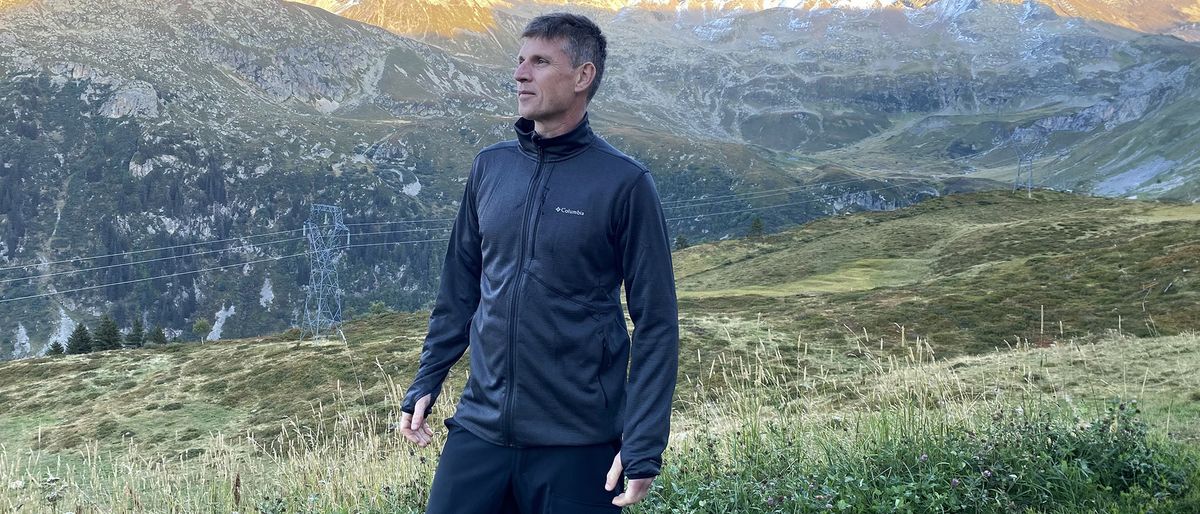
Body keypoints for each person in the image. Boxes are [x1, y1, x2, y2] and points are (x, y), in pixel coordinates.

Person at [397, 12, 680, 514]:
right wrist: (428, 377)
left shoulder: (625, 183)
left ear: (582, 76)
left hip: (578, 444)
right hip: (479, 432)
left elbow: (656, 323)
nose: (520, 74)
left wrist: (642, 444)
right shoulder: (491, 165)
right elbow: (460, 287)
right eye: (520, 60)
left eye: (540, 62)